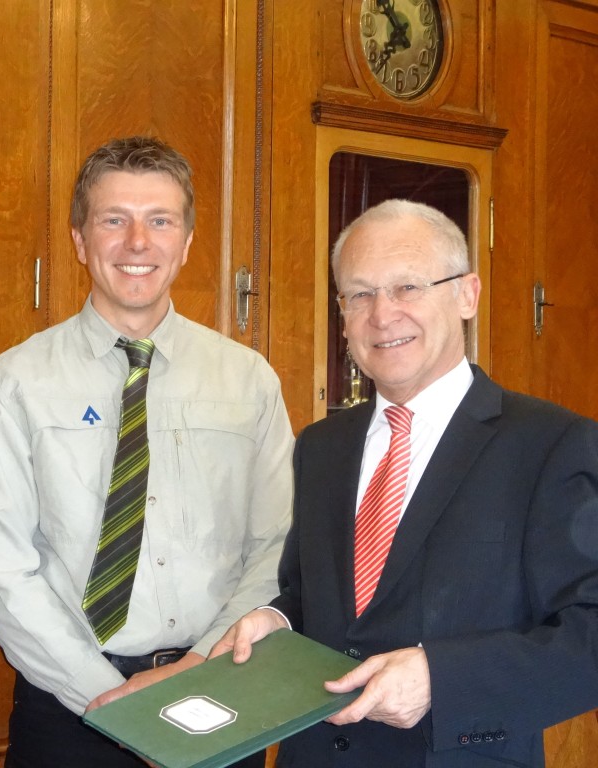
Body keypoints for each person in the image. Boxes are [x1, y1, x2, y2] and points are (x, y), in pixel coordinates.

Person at [211, 199, 598, 767]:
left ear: (467, 294)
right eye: (360, 294)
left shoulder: (550, 444)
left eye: (408, 287)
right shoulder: (320, 447)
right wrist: (279, 619)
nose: (382, 315)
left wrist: (439, 680)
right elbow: (310, 593)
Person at [0, 135, 294, 767]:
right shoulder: (13, 384)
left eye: (159, 221)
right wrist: (109, 694)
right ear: (81, 241)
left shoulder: (249, 381)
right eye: (114, 220)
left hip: (219, 693)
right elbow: (1, 572)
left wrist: (202, 666)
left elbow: (278, 548)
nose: (138, 243)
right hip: (69, 709)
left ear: (188, 242)